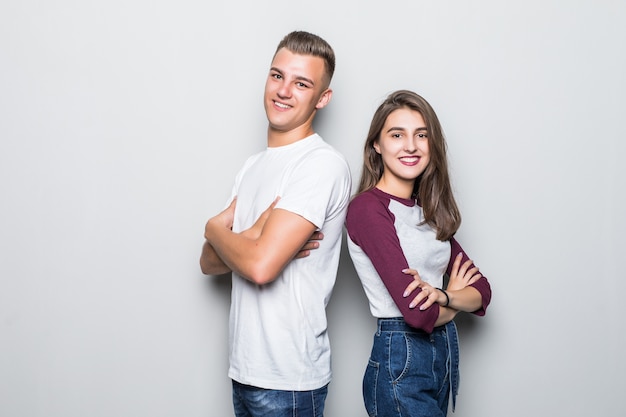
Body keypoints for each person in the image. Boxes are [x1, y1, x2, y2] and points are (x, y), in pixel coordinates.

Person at [199, 31, 351, 417]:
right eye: (277, 76)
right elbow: (207, 263)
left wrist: (216, 230)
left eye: (302, 83)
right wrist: (251, 238)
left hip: (289, 381)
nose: (284, 91)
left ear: (322, 98)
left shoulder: (320, 164)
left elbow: (260, 267)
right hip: (244, 370)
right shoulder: (253, 167)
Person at [345, 90, 492, 417]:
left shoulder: (428, 213)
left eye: (421, 135)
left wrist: (441, 296)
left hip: (443, 355)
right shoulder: (368, 209)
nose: (410, 145)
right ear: (377, 145)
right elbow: (417, 315)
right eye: (397, 135)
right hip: (402, 356)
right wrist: (453, 300)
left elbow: (482, 292)